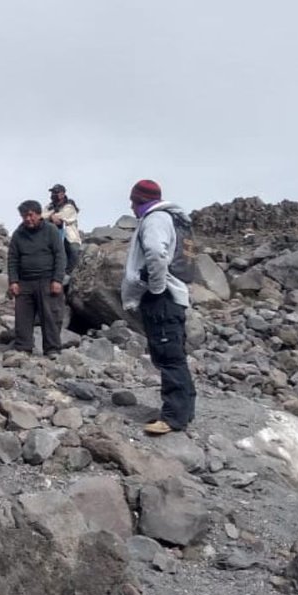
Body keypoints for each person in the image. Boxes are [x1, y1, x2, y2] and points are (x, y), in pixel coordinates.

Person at [120, 179, 197, 436]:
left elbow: (155, 252)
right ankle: (184, 411)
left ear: (139, 200)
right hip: (173, 297)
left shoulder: (155, 219)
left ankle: (173, 417)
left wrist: (155, 287)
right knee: (174, 354)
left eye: (133, 201)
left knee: (168, 356)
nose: (131, 206)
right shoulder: (173, 219)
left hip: (161, 298)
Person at [7, 200, 65, 356]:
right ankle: (23, 348)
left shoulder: (51, 230)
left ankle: (52, 349)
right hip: (25, 281)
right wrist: (13, 281)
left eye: (30, 215)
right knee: (23, 317)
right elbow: (12, 259)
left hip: (47, 280)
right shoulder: (18, 234)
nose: (27, 219)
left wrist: (57, 279)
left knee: (51, 316)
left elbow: (60, 255)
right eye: (24, 216)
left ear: (39, 214)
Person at [46, 184, 82, 273]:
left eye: (56, 192)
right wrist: (51, 217)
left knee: (74, 250)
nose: (53, 195)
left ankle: (70, 273)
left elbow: (62, 218)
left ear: (62, 194)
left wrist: (51, 216)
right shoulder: (49, 206)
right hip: (52, 236)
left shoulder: (69, 206)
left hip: (69, 237)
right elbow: (42, 216)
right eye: (52, 193)